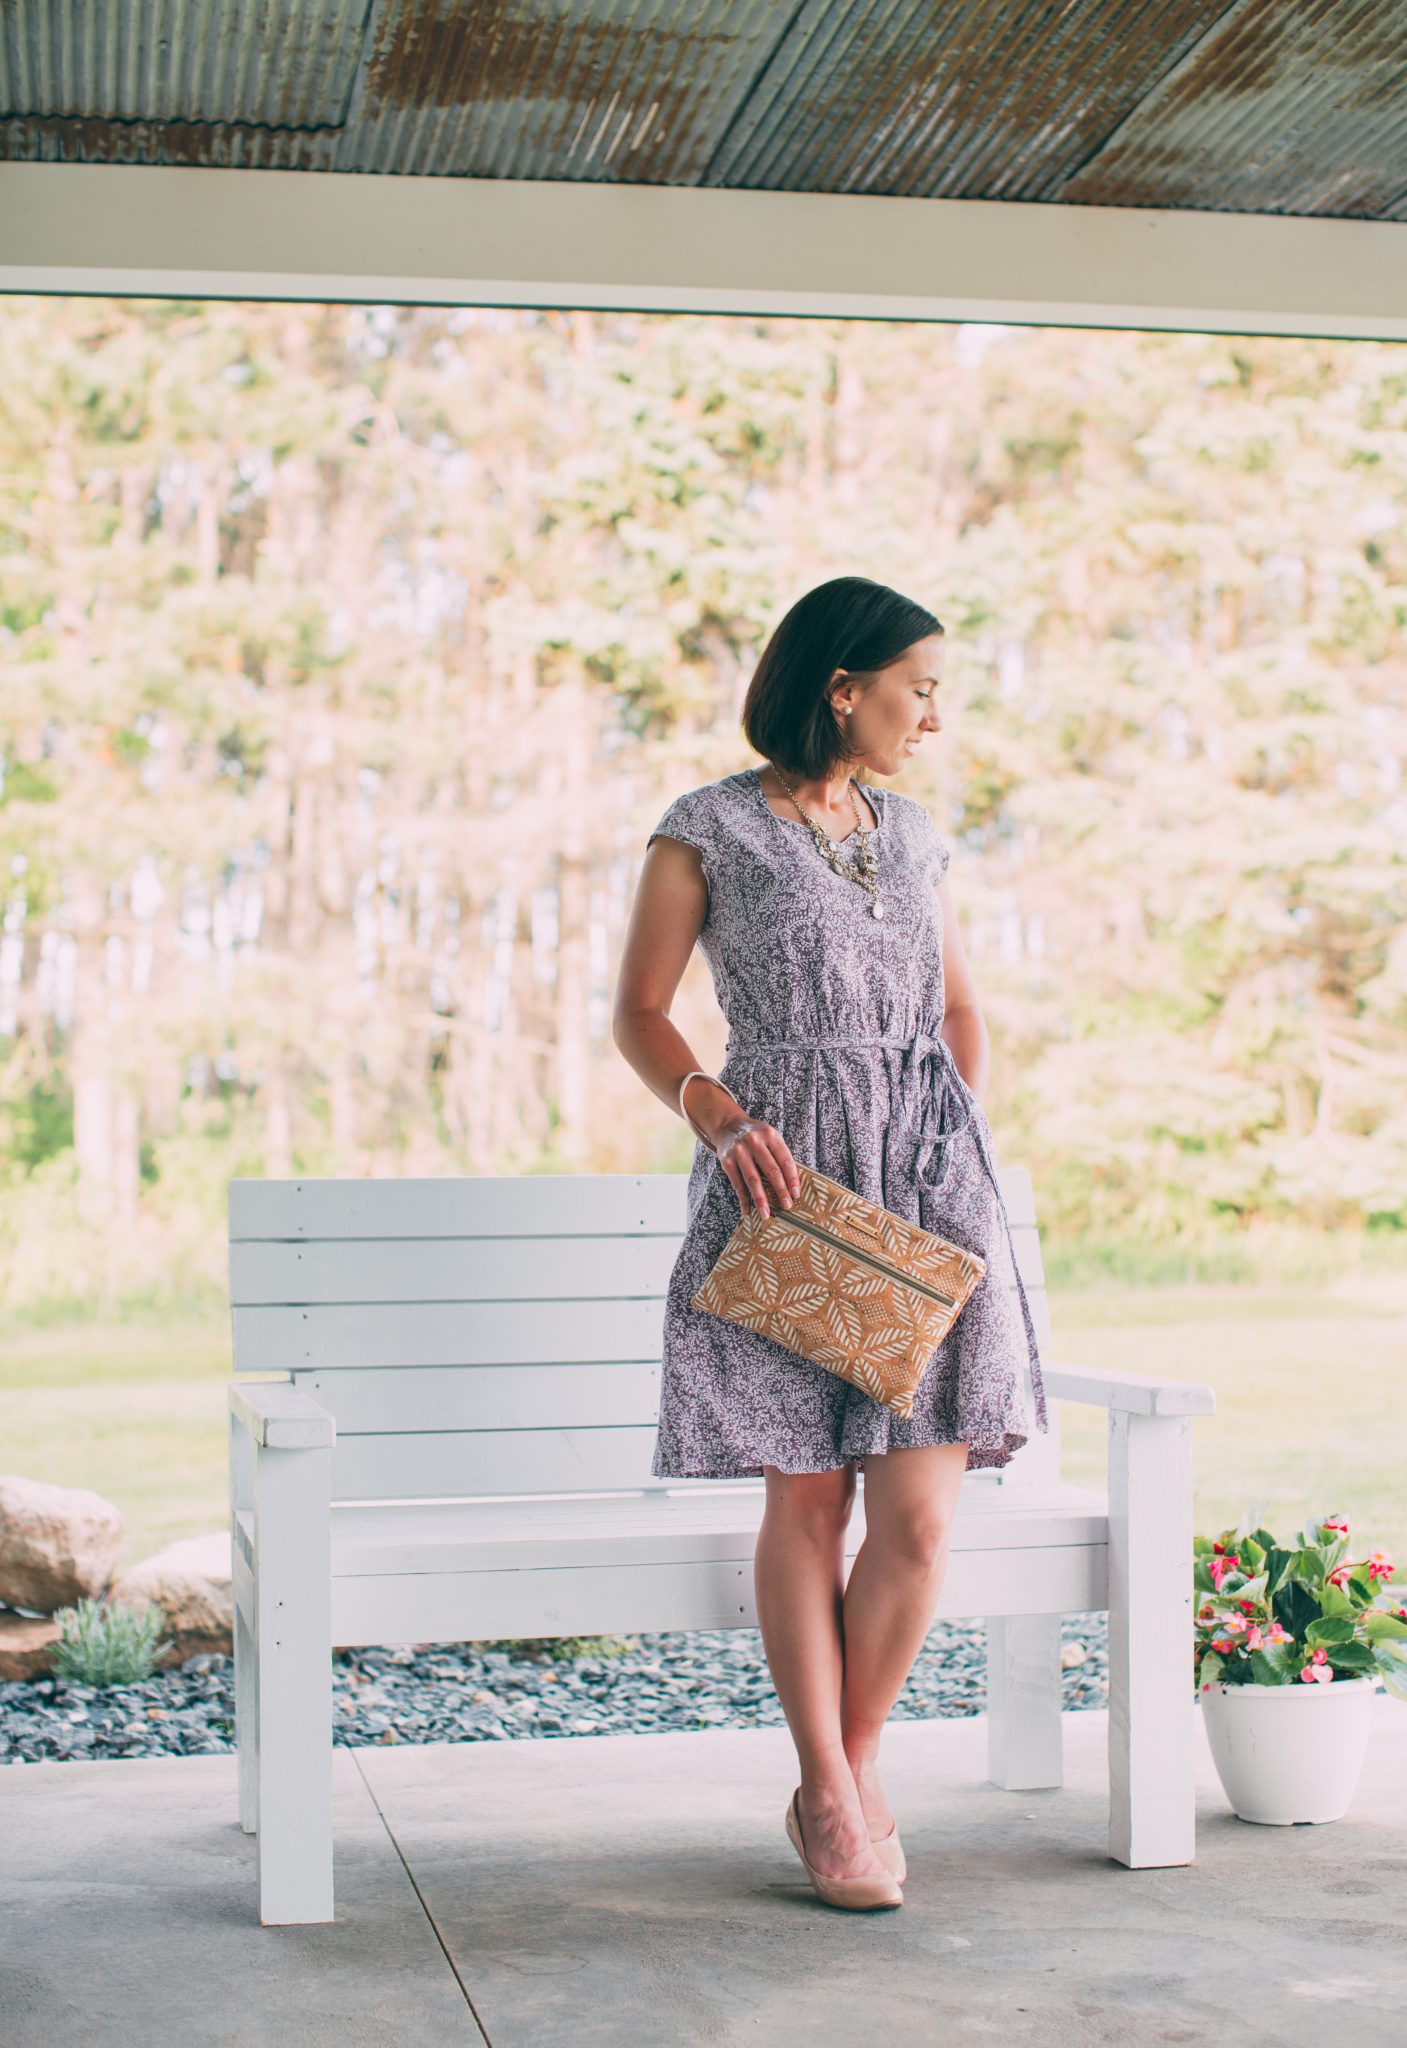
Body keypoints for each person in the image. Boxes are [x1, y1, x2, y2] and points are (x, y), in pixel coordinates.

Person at [611, 574, 1047, 1911]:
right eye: (918, 686)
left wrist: (944, 1138)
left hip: (926, 1181)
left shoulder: (914, 836)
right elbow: (641, 1012)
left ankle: (838, 1782)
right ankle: (839, 1792)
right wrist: (716, 1111)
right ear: (840, 686)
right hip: (784, 1183)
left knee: (917, 1516)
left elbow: (959, 1009)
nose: (933, 715)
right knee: (807, 1493)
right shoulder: (707, 830)